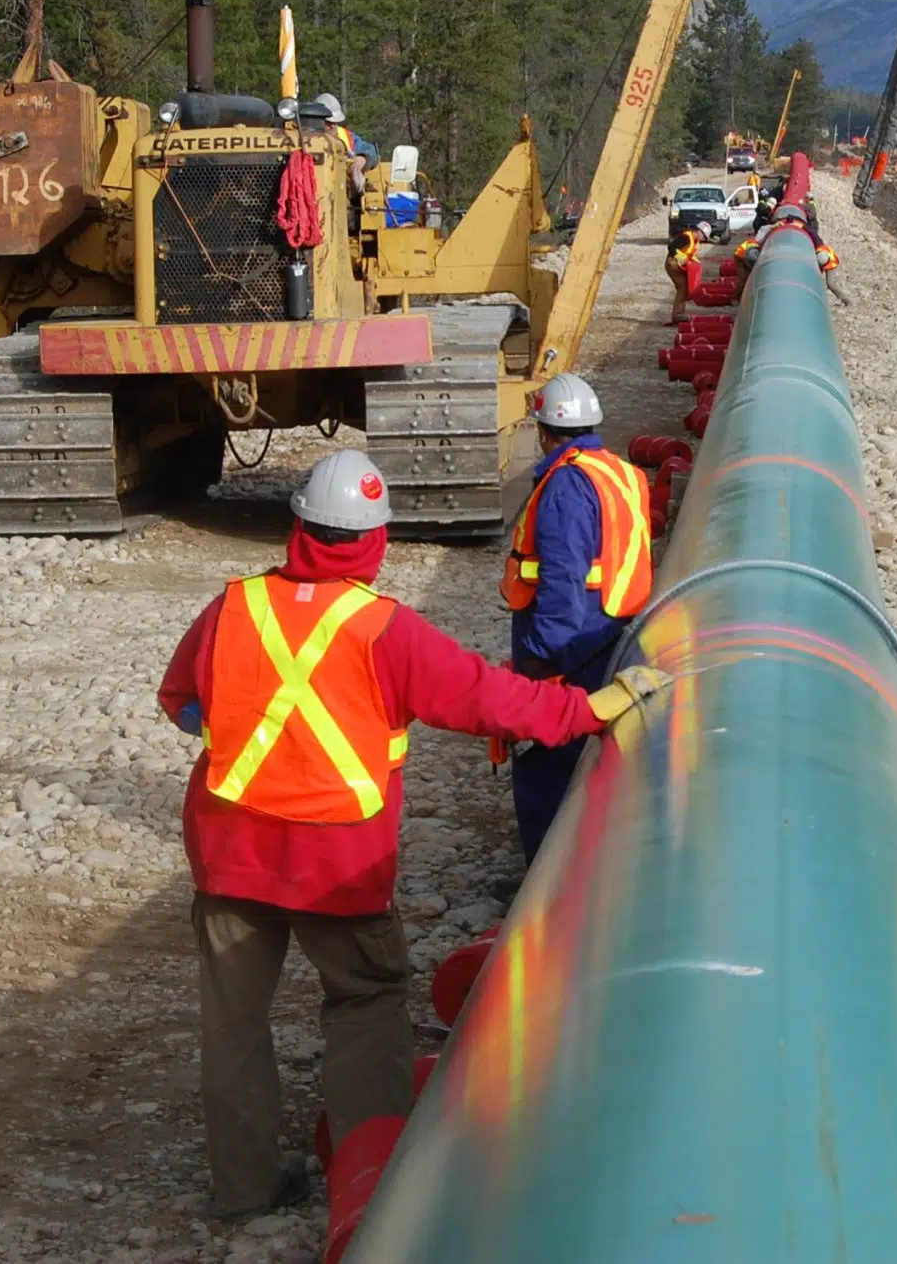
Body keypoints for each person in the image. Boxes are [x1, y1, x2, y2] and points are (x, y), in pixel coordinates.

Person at [157, 449, 666, 1239]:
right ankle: (371, 1189)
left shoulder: (235, 608)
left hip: (232, 854)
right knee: (363, 1002)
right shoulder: (385, 631)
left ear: (298, 525)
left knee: (234, 1021)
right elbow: (491, 700)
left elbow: (180, 700)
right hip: (339, 867)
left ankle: (245, 1187)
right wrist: (589, 709)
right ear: (375, 541)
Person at [500, 371, 654, 862]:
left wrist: (539, 665)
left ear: (544, 430)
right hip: (613, 634)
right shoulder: (621, 472)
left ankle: (546, 886)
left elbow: (563, 579)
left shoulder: (566, 484)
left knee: (546, 769)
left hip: (569, 649)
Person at [666, 227, 703, 323]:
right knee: (682, 287)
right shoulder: (686, 237)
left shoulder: (692, 240)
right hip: (673, 263)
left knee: (684, 288)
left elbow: (688, 254)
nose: (703, 239)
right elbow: (671, 247)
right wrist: (680, 257)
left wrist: (696, 262)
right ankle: (677, 315)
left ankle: (679, 314)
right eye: (703, 236)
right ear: (699, 231)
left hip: (678, 264)